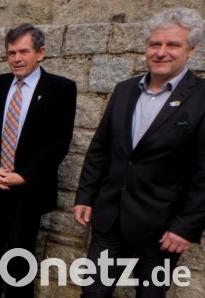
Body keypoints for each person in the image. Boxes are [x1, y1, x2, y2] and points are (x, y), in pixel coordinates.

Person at [74, 8, 205, 297]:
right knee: (93, 292)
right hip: (110, 219)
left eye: (172, 45)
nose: (161, 52)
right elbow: (100, 149)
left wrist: (186, 227)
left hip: (162, 230)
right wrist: (85, 195)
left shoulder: (201, 99)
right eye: (154, 44)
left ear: (191, 51)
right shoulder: (124, 90)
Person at [0, 23, 77, 298]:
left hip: (28, 191)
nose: (16, 58)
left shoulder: (61, 89)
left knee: (19, 262)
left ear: (40, 53)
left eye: (23, 51)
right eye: (11, 52)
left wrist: (24, 176)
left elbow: (57, 143)